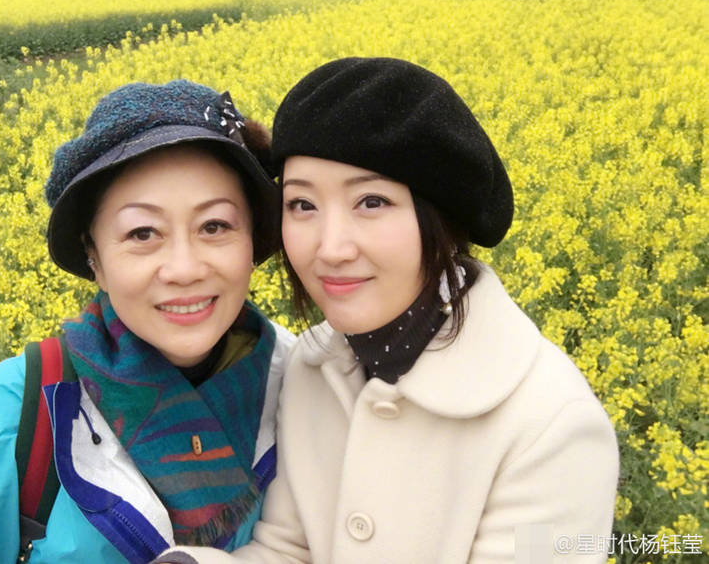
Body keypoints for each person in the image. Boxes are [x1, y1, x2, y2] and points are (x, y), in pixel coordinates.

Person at [152, 58, 619, 564]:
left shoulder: (553, 427)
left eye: (372, 202)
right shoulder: (311, 368)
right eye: (302, 205)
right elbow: (289, 549)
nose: (331, 248)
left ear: (438, 220)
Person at [0, 79, 295, 564]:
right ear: (94, 258)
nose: (184, 269)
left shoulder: (306, 388)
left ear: (253, 240)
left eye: (215, 226)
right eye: (142, 233)